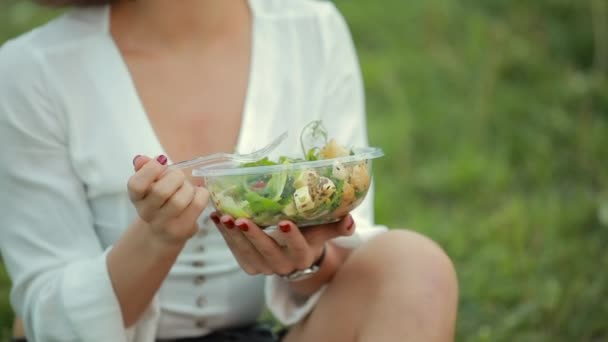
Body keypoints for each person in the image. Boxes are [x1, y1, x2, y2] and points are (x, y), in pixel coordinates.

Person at [0, 0, 458, 341]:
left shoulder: (312, 29)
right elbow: (48, 316)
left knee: (414, 267)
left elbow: (345, 250)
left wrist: (306, 261)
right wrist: (156, 238)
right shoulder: (31, 71)